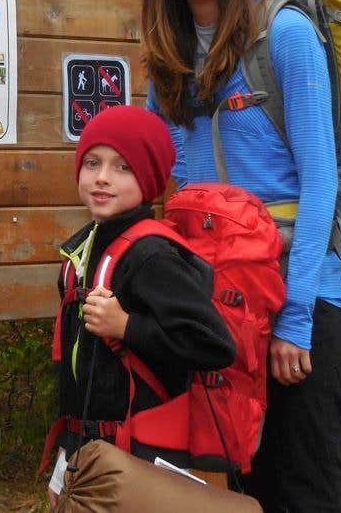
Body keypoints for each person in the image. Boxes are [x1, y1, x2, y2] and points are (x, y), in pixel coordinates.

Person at [142, 0, 341, 512]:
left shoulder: (284, 34)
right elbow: (169, 185)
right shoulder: (167, 56)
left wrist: (297, 320)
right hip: (218, 302)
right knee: (238, 482)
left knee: (308, 486)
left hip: (298, 290)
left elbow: (322, 183)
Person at [46, 104, 234, 507]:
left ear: (148, 178)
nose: (101, 177)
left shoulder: (151, 256)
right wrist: (65, 457)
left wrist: (126, 326)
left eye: (122, 168)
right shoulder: (84, 249)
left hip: (146, 459)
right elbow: (75, 375)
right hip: (92, 452)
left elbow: (214, 344)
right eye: (92, 162)